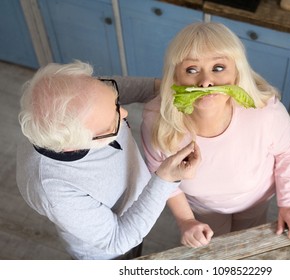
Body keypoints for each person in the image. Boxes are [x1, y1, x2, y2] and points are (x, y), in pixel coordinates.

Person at [141, 22, 290, 248]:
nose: (205, 82)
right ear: (175, 78)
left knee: (247, 243)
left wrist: (289, 203)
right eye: (191, 70)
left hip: (255, 201)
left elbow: (289, 152)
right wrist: (186, 221)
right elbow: (163, 178)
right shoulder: (157, 121)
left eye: (218, 68)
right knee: (215, 249)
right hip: (202, 208)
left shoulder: (265, 112)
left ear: (237, 73)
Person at [16, 60, 201, 259]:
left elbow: (106, 91)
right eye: (113, 123)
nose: (125, 113)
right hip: (108, 253)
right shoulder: (52, 189)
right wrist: (165, 180)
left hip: (135, 204)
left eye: (116, 103)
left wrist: (161, 88)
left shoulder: (76, 95)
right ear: (75, 145)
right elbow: (118, 239)